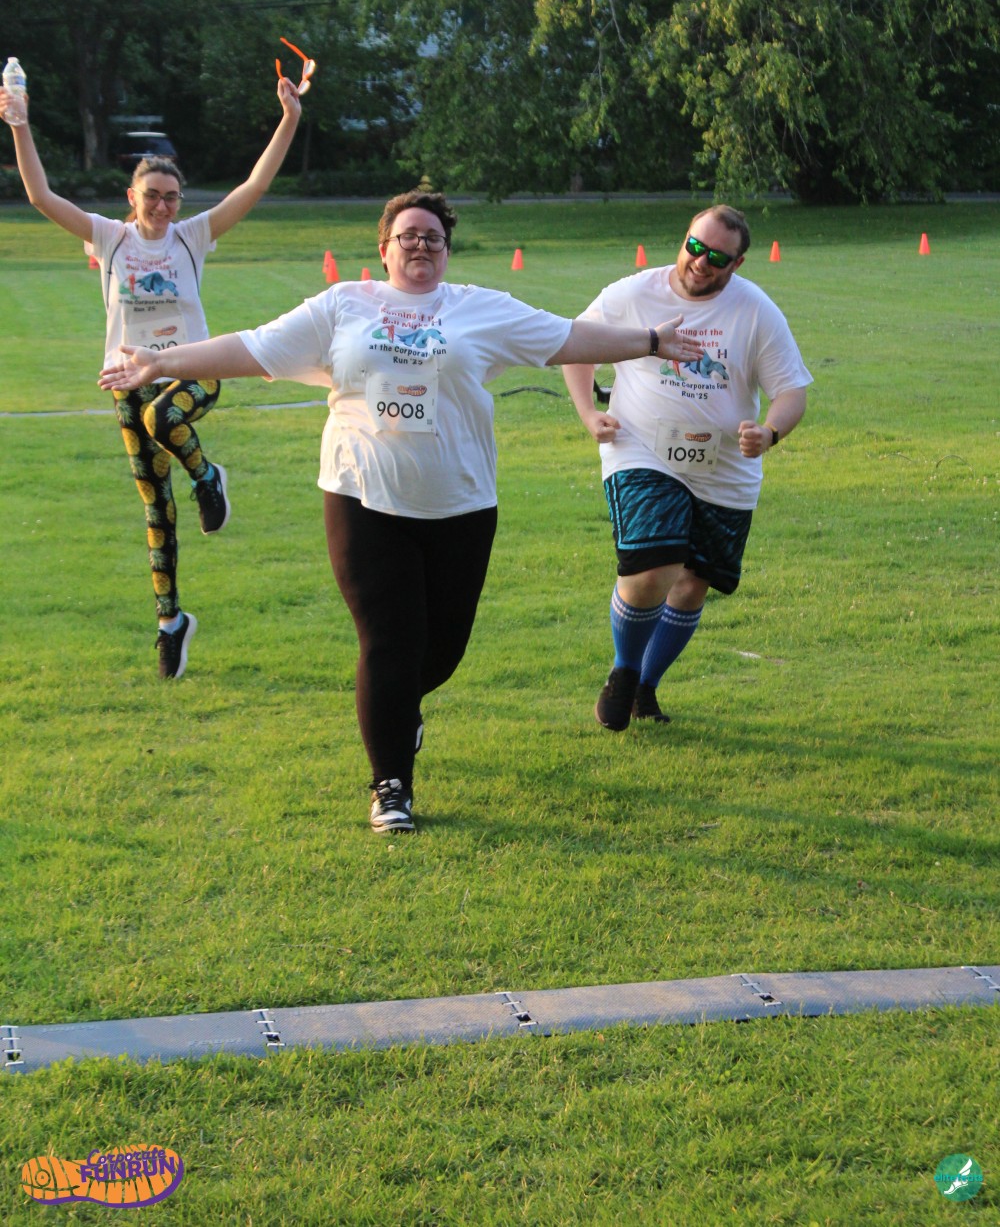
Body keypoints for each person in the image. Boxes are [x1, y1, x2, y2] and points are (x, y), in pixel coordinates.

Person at [98, 189, 706, 832]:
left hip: (461, 502)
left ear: (446, 251)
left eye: (432, 237)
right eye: (407, 235)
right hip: (363, 496)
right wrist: (161, 361)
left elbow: (568, 337)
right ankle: (391, 785)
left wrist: (649, 340)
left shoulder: (481, 309)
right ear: (384, 249)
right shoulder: (344, 304)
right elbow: (253, 348)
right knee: (388, 643)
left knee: (440, 652)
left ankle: (396, 711)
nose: (420, 244)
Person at [2, 70, 303, 679]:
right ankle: (170, 622)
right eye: (153, 196)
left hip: (193, 370)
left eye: (172, 197)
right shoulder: (110, 239)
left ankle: (208, 476)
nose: (163, 206)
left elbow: (254, 185)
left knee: (162, 417)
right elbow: (39, 196)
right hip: (127, 381)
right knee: (156, 509)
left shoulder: (192, 238)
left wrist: (290, 118)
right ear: (132, 196)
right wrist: (20, 125)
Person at [562, 205, 812, 730]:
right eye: (694, 247)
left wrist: (769, 432)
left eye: (717, 257)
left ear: (737, 264)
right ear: (683, 240)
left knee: (692, 583)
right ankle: (624, 671)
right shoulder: (633, 294)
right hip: (641, 450)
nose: (700, 262)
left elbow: (791, 390)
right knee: (654, 565)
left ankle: (645, 687)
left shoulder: (756, 311)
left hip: (724, 468)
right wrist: (588, 413)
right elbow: (577, 347)